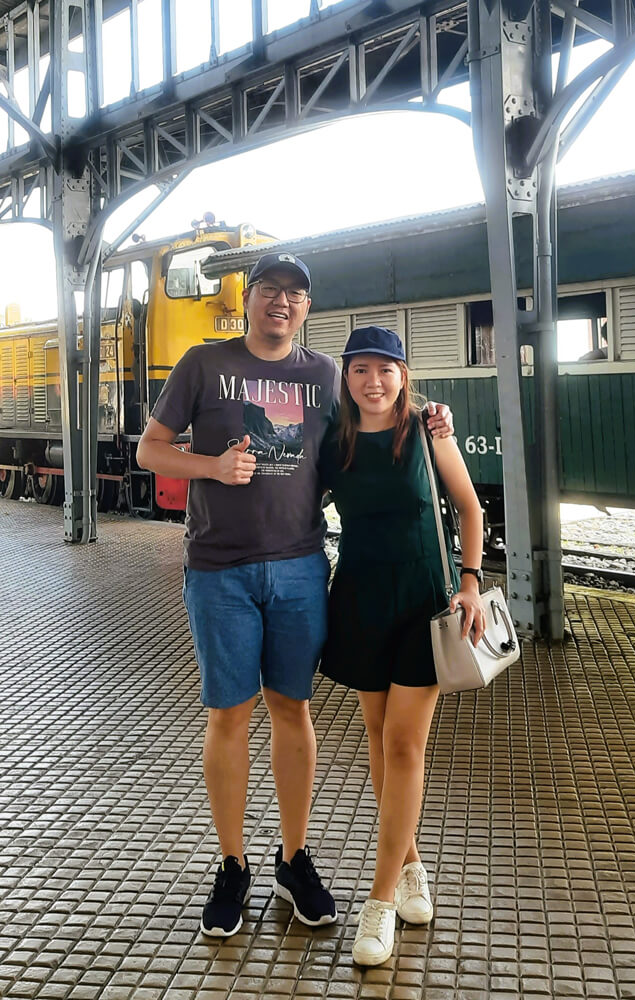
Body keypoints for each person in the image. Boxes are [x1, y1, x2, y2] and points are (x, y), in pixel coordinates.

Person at [135, 252, 455, 940]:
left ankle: (293, 858)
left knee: (292, 709)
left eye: (296, 294)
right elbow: (150, 450)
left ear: (307, 308)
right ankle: (232, 866)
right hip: (220, 569)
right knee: (229, 714)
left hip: (302, 568)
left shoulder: (323, 375)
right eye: (270, 290)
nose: (282, 301)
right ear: (247, 297)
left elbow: (374, 418)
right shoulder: (202, 363)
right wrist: (211, 465)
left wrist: (433, 417)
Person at [318, 325, 486, 967]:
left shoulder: (427, 429)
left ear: (403, 375)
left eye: (386, 369)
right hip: (360, 600)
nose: (374, 381)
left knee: (403, 745)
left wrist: (469, 583)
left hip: (423, 604)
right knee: (377, 735)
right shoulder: (333, 440)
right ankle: (412, 865)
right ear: (347, 376)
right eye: (361, 369)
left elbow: (470, 508)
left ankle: (380, 900)